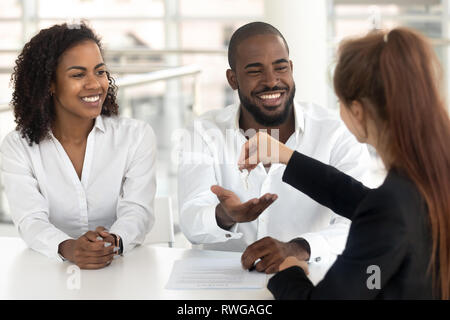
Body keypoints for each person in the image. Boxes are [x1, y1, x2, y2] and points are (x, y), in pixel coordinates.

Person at [239, 27, 450, 299]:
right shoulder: (430, 177)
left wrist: (289, 272)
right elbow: (364, 201)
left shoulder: (391, 207)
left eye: (339, 101)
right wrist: (286, 157)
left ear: (357, 111)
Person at [177, 22, 372, 273]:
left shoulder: (336, 132)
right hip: (228, 288)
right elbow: (191, 222)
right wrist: (225, 216)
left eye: (280, 67)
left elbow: (362, 220)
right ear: (233, 79)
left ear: (291, 68)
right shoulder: (203, 132)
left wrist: (299, 248)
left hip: (313, 281)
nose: (271, 81)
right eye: (255, 71)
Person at [0, 22, 157, 269]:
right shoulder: (18, 147)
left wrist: (111, 243)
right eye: (78, 74)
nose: (95, 84)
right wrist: (70, 248)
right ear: (49, 83)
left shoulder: (135, 136)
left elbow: (137, 210)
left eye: (100, 71)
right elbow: (30, 219)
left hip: (122, 269)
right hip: (49, 271)